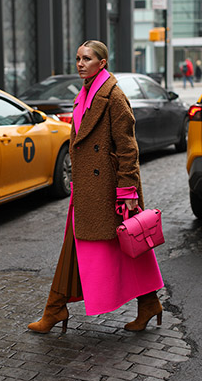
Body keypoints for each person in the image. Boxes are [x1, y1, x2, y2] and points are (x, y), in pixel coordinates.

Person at [28, 40, 164, 334]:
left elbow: (128, 148)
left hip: (110, 190)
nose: (80, 64)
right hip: (88, 189)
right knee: (80, 245)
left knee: (127, 247)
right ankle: (56, 308)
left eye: (86, 59)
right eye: (77, 58)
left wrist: (128, 192)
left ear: (102, 63)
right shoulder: (86, 92)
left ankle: (58, 309)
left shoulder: (113, 96)